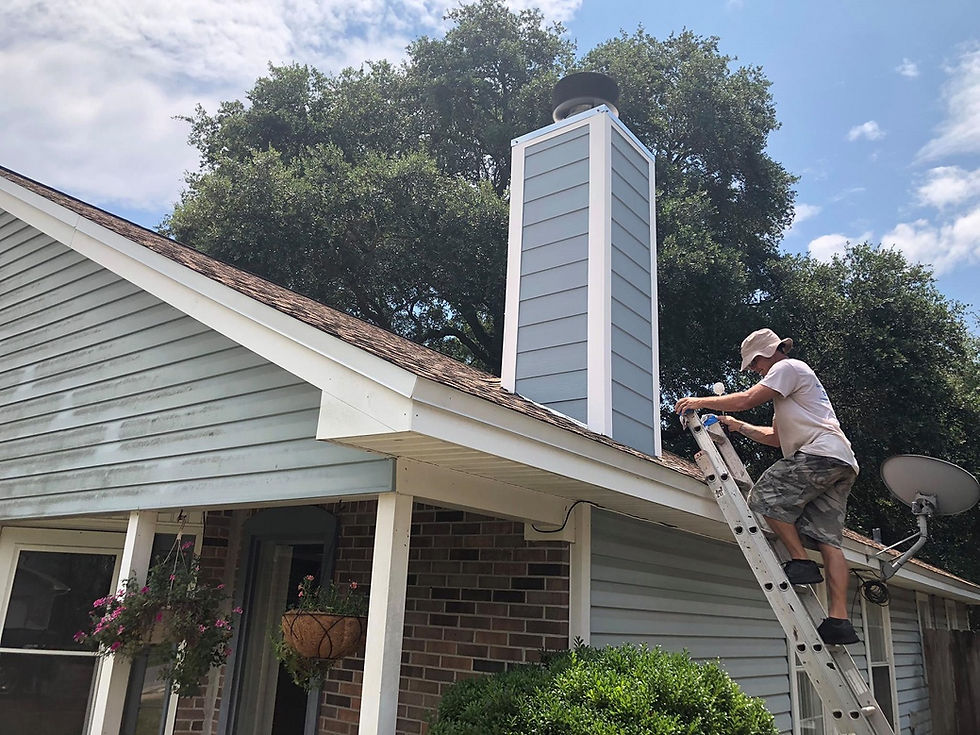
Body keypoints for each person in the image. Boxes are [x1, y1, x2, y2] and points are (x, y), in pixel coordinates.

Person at [674, 328, 860, 645]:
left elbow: (747, 399)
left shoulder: (787, 367)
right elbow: (775, 438)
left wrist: (699, 401)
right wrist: (735, 425)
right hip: (840, 461)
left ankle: (801, 562)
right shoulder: (792, 395)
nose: (756, 370)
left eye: (756, 363)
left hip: (819, 454)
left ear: (769, 352)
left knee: (764, 498)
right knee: (828, 541)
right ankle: (839, 622)